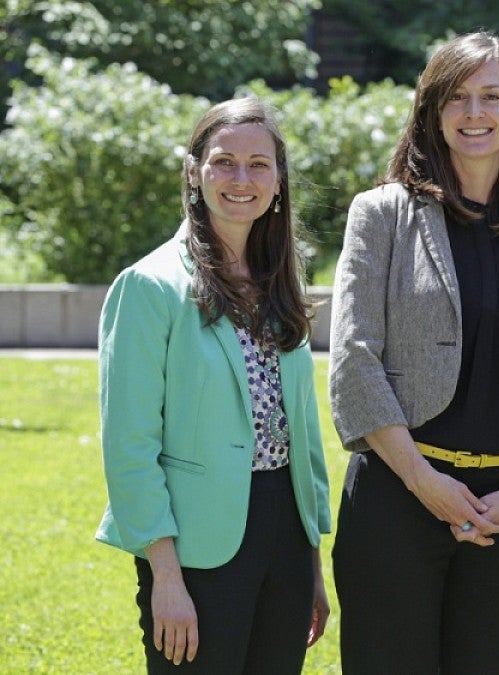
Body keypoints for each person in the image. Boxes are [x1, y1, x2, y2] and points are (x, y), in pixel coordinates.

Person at [327, 31, 499, 674]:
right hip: (395, 499)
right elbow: (354, 358)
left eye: (492, 96)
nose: (475, 113)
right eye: (458, 98)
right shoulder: (380, 215)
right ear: (432, 113)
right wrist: (424, 481)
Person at [95, 97, 331, 673]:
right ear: (194, 172)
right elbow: (129, 447)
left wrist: (311, 563)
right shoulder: (149, 287)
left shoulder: (284, 280)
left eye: (259, 164)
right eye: (224, 162)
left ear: (278, 181)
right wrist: (165, 578)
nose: (241, 179)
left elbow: (300, 426)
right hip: (195, 546)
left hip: (286, 534)